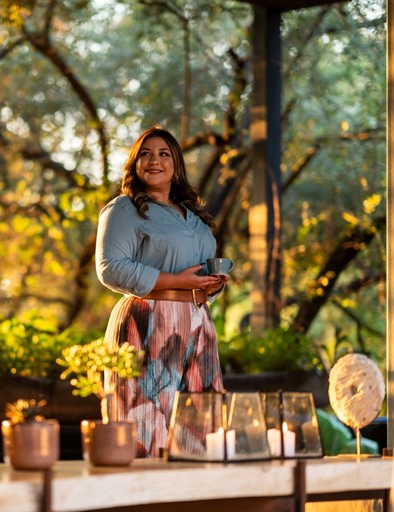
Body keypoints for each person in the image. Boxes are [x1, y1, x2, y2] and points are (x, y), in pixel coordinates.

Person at [95, 125, 230, 458]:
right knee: (144, 426)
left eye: (163, 154)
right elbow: (110, 267)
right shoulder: (124, 209)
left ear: (176, 164)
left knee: (203, 426)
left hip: (198, 322)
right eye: (145, 154)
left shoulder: (195, 218)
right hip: (147, 320)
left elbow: (196, 274)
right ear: (135, 164)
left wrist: (210, 286)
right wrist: (175, 281)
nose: (154, 160)